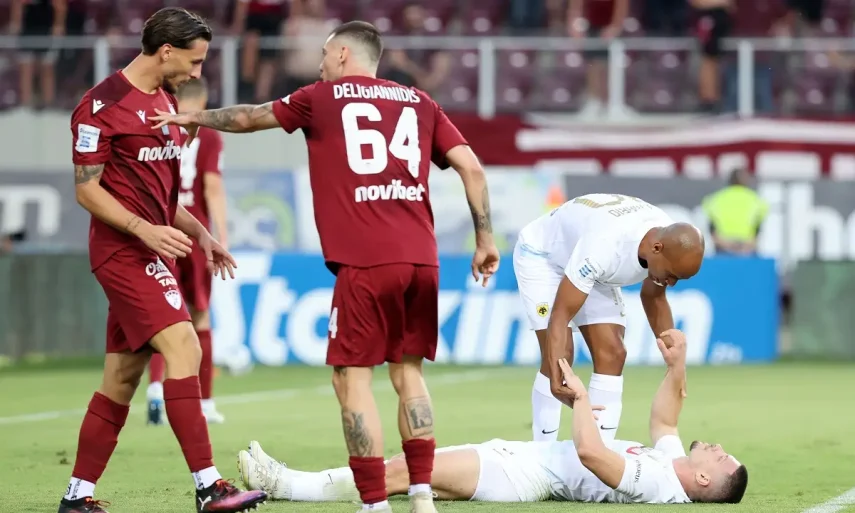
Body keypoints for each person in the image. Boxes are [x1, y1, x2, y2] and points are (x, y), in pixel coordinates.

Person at [150, 20, 500, 513]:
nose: (318, 64)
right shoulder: (421, 102)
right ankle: (422, 495)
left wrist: (196, 117)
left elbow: (249, 117)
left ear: (341, 55)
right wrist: (485, 238)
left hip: (366, 260)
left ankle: (375, 504)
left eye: (323, 53)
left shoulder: (322, 98)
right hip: (422, 258)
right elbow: (472, 167)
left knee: (350, 379)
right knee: (409, 373)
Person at [65, 8, 266, 513]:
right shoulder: (101, 105)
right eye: (194, 61)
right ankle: (209, 487)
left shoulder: (166, 102)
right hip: (123, 252)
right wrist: (142, 229)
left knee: (121, 378)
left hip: (156, 247)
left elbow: (161, 195)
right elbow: (87, 190)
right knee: (184, 346)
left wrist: (202, 234)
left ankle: (77, 497)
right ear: (167, 50)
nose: (199, 72)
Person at [236, 329, 748, 505]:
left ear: (705, 480)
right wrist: (677, 367)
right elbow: (665, 422)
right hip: (525, 461)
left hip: (523, 475)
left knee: (405, 471)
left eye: (722, 458)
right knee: (409, 474)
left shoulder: (658, 484)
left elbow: (592, 453)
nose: (718, 447)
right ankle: (290, 482)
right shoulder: (670, 463)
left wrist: (580, 400)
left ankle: (284, 484)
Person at [514, 194, 704, 444]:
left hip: (590, 264)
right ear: (656, 248)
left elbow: (653, 297)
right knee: (559, 361)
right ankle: (541, 454)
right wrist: (556, 382)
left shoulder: (665, 241)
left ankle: (598, 456)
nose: (672, 283)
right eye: (671, 275)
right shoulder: (605, 245)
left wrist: (675, 362)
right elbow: (560, 315)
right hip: (544, 257)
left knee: (613, 353)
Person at [147, 77, 229, 426]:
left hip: (160, 229)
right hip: (194, 236)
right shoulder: (207, 134)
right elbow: (212, 187)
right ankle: (205, 402)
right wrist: (221, 235)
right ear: (204, 101)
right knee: (200, 317)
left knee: (162, 316)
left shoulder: (158, 126)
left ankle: (155, 390)